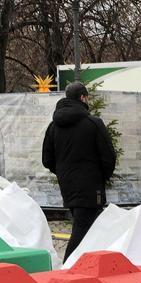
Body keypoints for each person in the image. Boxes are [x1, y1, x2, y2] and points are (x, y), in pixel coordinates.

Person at [42, 81, 116, 260]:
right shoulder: (93, 123)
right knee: (83, 231)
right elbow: (109, 157)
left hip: (68, 188)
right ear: (83, 97)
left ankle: (86, 270)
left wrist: (63, 173)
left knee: (85, 227)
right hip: (92, 188)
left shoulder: (53, 127)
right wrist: (100, 177)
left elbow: (47, 160)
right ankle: (68, 270)